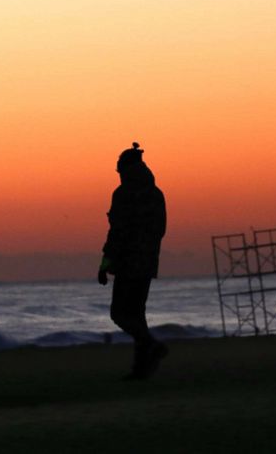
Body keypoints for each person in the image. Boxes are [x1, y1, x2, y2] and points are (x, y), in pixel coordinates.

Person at [98, 142, 168, 379]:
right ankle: (142, 368)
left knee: (119, 314)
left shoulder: (124, 194)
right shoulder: (156, 194)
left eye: (120, 172)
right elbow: (161, 230)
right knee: (137, 315)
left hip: (128, 265)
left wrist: (105, 265)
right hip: (147, 264)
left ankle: (150, 346)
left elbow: (116, 232)